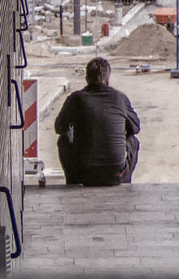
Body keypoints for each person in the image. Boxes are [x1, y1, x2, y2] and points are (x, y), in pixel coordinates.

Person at [54, 57, 140, 186]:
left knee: (63, 140)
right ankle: (125, 181)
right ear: (108, 80)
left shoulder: (76, 98)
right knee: (132, 140)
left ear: (86, 78)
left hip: (84, 174)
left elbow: (59, 128)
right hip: (115, 173)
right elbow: (135, 128)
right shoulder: (120, 98)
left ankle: (72, 181)